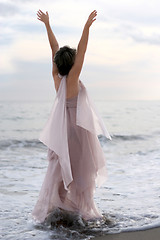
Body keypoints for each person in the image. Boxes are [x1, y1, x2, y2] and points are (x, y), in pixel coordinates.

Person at [32, 9, 112, 223]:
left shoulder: (57, 80)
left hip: (61, 133)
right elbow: (82, 51)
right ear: (73, 64)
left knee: (59, 172)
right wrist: (86, 27)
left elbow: (53, 49)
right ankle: (80, 214)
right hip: (77, 132)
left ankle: (56, 213)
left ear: (58, 64)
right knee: (81, 173)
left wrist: (47, 25)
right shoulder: (74, 80)